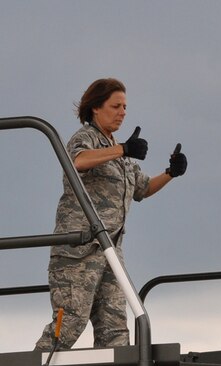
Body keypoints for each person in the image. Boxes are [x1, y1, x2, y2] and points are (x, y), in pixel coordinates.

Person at [34, 78, 187, 351]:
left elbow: (143, 188)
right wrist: (122, 149)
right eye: (116, 106)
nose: (123, 112)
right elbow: (77, 162)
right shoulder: (85, 139)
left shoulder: (119, 151)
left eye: (125, 107)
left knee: (115, 329)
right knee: (69, 322)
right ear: (95, 108)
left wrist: (171, 173)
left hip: (110, 254)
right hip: (78, 253)